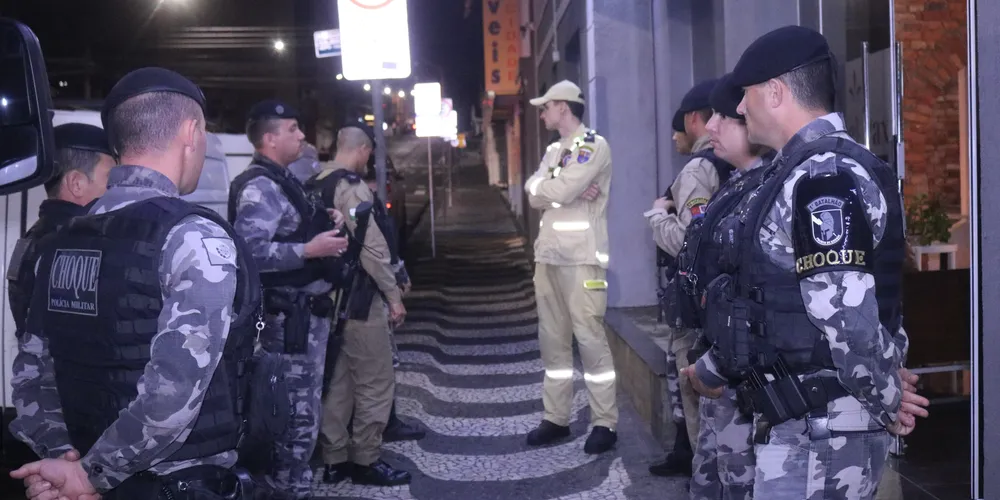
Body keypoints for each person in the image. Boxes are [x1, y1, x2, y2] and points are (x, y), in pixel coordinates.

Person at [682, 26, 931, 498]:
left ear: (776, 92)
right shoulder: (796, 172)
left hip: (826, 433)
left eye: (747, 94)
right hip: (805, 421)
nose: (740, 107)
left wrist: (889, 398)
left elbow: (848, 320)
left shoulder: (823, 177)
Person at [9, 67, 259, 499]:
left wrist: (65, 463)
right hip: (175, 484)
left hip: (84, 473)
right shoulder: (191, 237)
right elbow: (172, 394)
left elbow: (31, 375)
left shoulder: (55, 242)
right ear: (191, 131)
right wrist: (90, 474)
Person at [228, 100, 348, 499]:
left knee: (305, 405)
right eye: (293, 129)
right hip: (288, 320)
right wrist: (309, 250)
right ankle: (287, 487)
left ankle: (294, 483)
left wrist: (326, 219)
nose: (301, 136)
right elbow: (250, 252)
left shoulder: (281, 180)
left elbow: (290, 226)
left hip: (305, 316)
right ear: (269, 138)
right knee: (294, 409)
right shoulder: (259, 185)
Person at [681, 73, 773, 499]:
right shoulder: (736, 184)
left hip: (743, 382)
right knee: (710, 479)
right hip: (720, 368)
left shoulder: (769, 190)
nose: (711, 126)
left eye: (724, 116)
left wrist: (716, 366)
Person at [311, 125, 412, 485]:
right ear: (363, 149)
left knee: (339, 383)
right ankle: (366, 460)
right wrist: (394, 296)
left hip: (327, 299)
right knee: (375, 381)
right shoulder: (351, 187)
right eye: (369, 153)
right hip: (360, 300)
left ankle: (335, 459)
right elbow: (372, 248)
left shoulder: (313, 182)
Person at [645, 78, 735, 477]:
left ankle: (704, 475)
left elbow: (689, 241)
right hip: (721, 297)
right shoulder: (736, 163)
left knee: (693, 386)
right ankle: (689, 456)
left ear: (693, 119)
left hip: (697, 301)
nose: (673, 136)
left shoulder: (699, 169)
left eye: (678, 125)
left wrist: (657, 215)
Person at [523, 80, 617, 454]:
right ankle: (556, 418)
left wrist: (559, 190)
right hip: (548, 257)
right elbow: (532, 191)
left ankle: (605, 423)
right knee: (553, 343)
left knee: (590, 341)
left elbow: (556, 191)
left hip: (581, 259)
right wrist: (561, 190)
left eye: (546, 107)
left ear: (563, 107)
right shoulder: (554, 150)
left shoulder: (592, 145)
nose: (542, 114)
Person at [7, 123, 115, 336]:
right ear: (76, 183)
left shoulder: (34, 237)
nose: (117, 189)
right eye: (110, 179)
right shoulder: (82, 244)